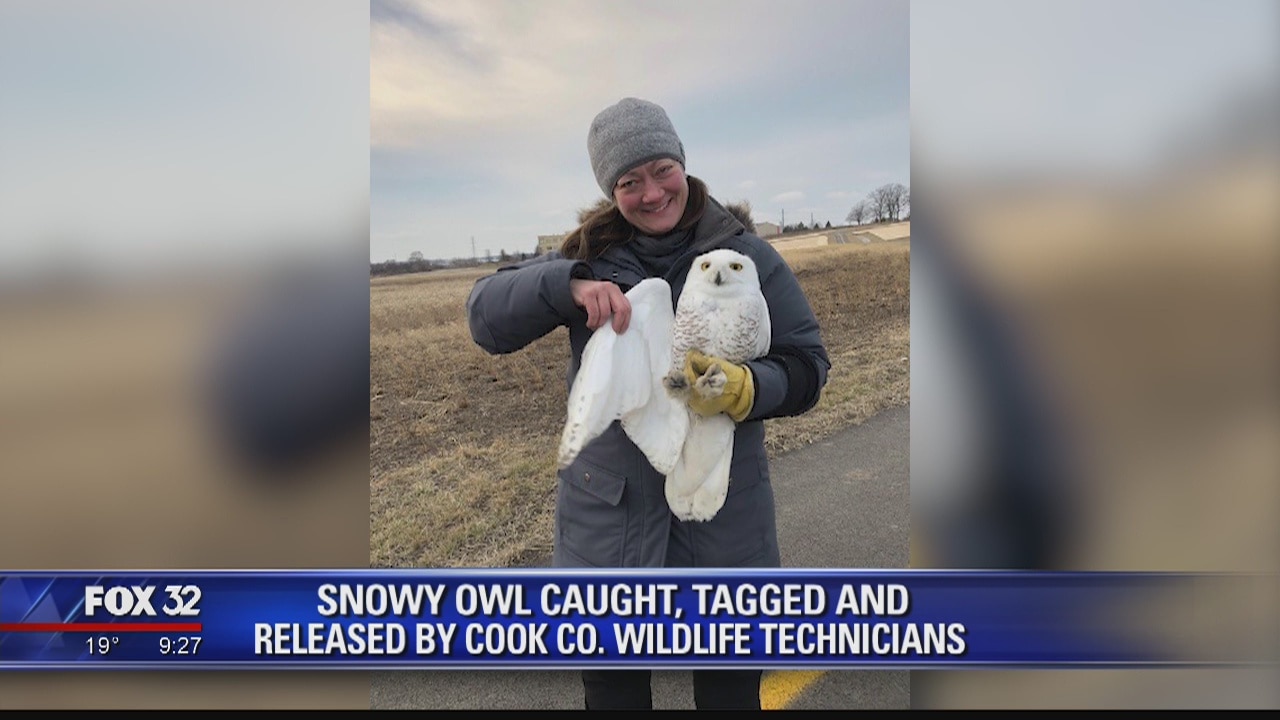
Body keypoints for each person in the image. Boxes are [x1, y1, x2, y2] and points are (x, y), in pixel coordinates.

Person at [467, 97, 830, 710]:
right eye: (629, 182)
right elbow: (484, 317)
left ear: (682, 163)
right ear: (611, 192)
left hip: (721, 521)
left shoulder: (746, 257)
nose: (652, 192)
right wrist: (567, 285)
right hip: (608, 524)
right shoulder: (587, 256)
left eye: (662, 170)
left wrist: (748, 387)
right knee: (614, 693)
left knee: (729, 692)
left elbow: (808, 366)